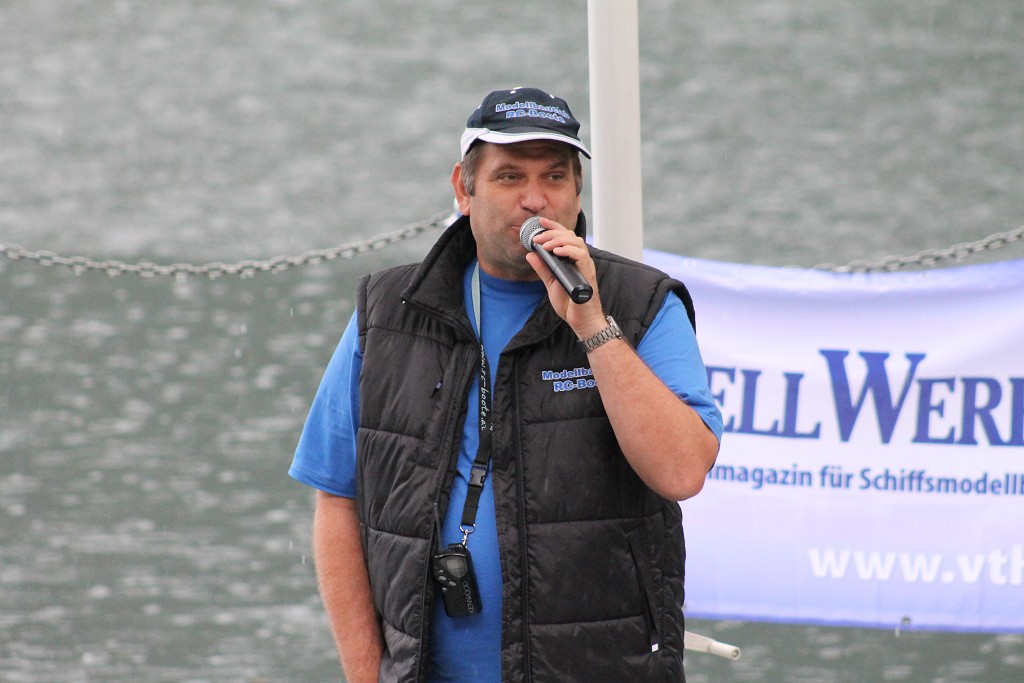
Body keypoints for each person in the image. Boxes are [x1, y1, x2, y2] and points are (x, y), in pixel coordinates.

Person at [289, 86, 723, 682]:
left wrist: (593, 326)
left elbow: (682, 472)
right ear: (463, 189)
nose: (535, 199)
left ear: (577, 194)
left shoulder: (642, 304)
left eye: (555, 177)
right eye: (510, 176)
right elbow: (337, 500)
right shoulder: (388, 311)